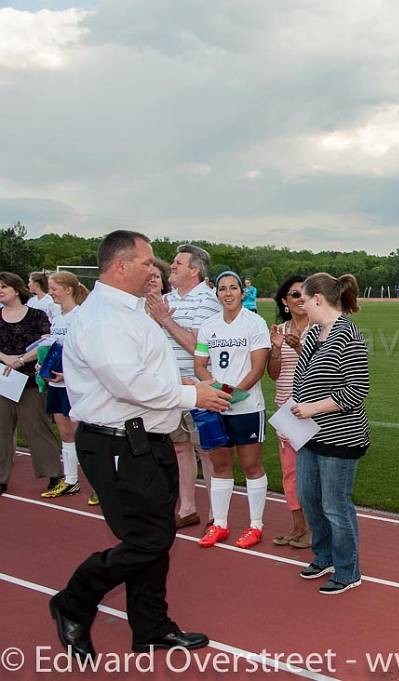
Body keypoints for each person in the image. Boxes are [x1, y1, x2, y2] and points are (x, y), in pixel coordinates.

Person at [51, 230, 230, 660]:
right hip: (117, 443)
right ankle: (73, 601)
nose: (157, 269)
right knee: (147, 539)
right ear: (120, 266)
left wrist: (182, 382)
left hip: (145, 440)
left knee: (157, 536)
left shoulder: (128, 312)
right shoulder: (103, 319)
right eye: (149, 262)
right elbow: (128, 384)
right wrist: (193, 395)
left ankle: (150, 627)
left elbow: (144, 371)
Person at [290, 273, 369, 595]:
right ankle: (324, 557)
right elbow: (305, 377)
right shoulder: (313, 335)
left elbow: (357, 389)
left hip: (341, 436)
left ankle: (348, 570)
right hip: (309, 434)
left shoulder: (348, 335)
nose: (301, 304)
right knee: (309, 499)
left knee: (336, 505)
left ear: (318, 299)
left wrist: (313, 409)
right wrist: (296, 413)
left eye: (304, 299)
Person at [194, 271, 271, 549]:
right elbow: (200, 363)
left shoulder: (255, 323)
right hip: (217, 406)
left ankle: (255, 525)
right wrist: (213, 389)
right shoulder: (208, 325)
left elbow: (258, 368)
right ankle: (221, 524)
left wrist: (231, 394)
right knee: (220, 465)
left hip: (247, 406)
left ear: (242, 292)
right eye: (223, 289)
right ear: (217, 294)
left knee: (251, 465)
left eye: (233, 288)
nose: (228, 293)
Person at [146, 244, 221, 529]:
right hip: (171, 387)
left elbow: (198, 349)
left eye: (178, 262)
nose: (172, 267)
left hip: (199, 387)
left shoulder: (208, 302)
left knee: (208, 451)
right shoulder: (166, 298)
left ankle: (217, 512)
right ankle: (187, 507)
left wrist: (165, 319)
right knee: (179, 448)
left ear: (195, 269)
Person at [0, 271, 63, 497]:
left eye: (3, 287)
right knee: (2, 431)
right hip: (3, 382)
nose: (0, 291)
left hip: (30, 382)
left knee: (38, 429)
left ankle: (54, 474)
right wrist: (5, 358)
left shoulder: (37, 315)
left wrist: (21, 360)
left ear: (16, 290)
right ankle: (1, 478)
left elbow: (46, 344)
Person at [39, 271, 99, 505]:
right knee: (65, 433)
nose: (51, 292)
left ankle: (99, 485)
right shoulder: (56, 315)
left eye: (54, 288)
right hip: (56, 382)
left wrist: (71, 373)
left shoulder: (82, 316)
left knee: (83, 434)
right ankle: (71, 480)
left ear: (68, 289)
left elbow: (89, 353)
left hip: (76, 384)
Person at [268, 276, 311, 548]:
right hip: (285, 409)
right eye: (294, 294)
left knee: (311, 473)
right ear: (285, 301)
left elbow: (325, 368)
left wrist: (299, 347)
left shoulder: (320, 328)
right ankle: (298, 528)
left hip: (310, 409)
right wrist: (276, 349)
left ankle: (312, 530)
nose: (300, 299)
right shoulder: (279, 330)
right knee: (290, 472)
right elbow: (274, 374)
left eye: (304, 294)